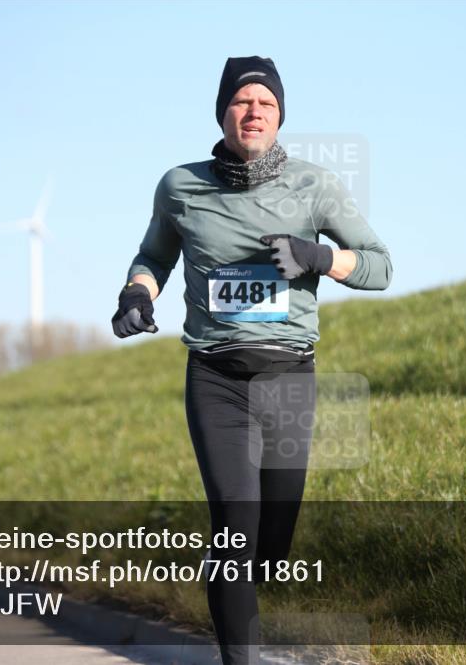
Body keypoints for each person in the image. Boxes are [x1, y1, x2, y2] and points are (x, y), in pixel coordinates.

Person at [112, 56, 392, 665]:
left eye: (266, 102)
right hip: (216, 377)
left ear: (280, 115)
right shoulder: (180, 186)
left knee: (271, 545)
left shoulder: (314, 185)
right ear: (223, 113)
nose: (254, 111)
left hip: (290, 377)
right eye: (242, 101)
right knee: (236, 527)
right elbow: (153, 257)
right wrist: (136, 292)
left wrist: (316, 258)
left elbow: (379, 266)